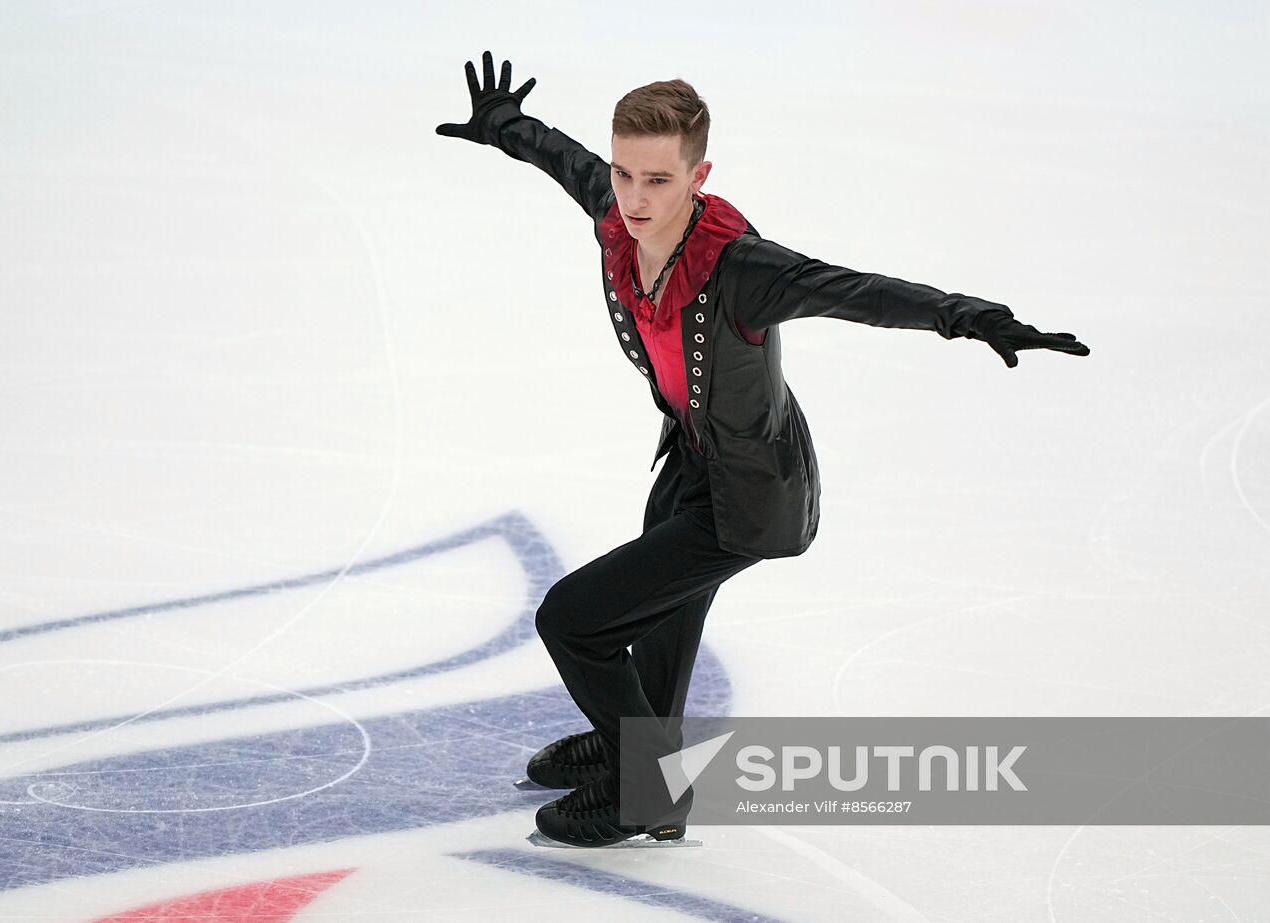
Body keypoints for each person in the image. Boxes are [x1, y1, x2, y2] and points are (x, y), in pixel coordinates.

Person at [435, 51, 1089, 848]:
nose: (635, 199)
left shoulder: (741, 269)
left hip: (751, 494)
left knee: (573, 619)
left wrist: (971, 315)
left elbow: (863, 292)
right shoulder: (617, 211)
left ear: (698, 175)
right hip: (693, 460)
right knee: (661, 618)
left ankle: (647, 787)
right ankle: (635, 750)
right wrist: (509, 127)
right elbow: (567, 163)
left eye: (659, 181)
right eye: (625, 174)